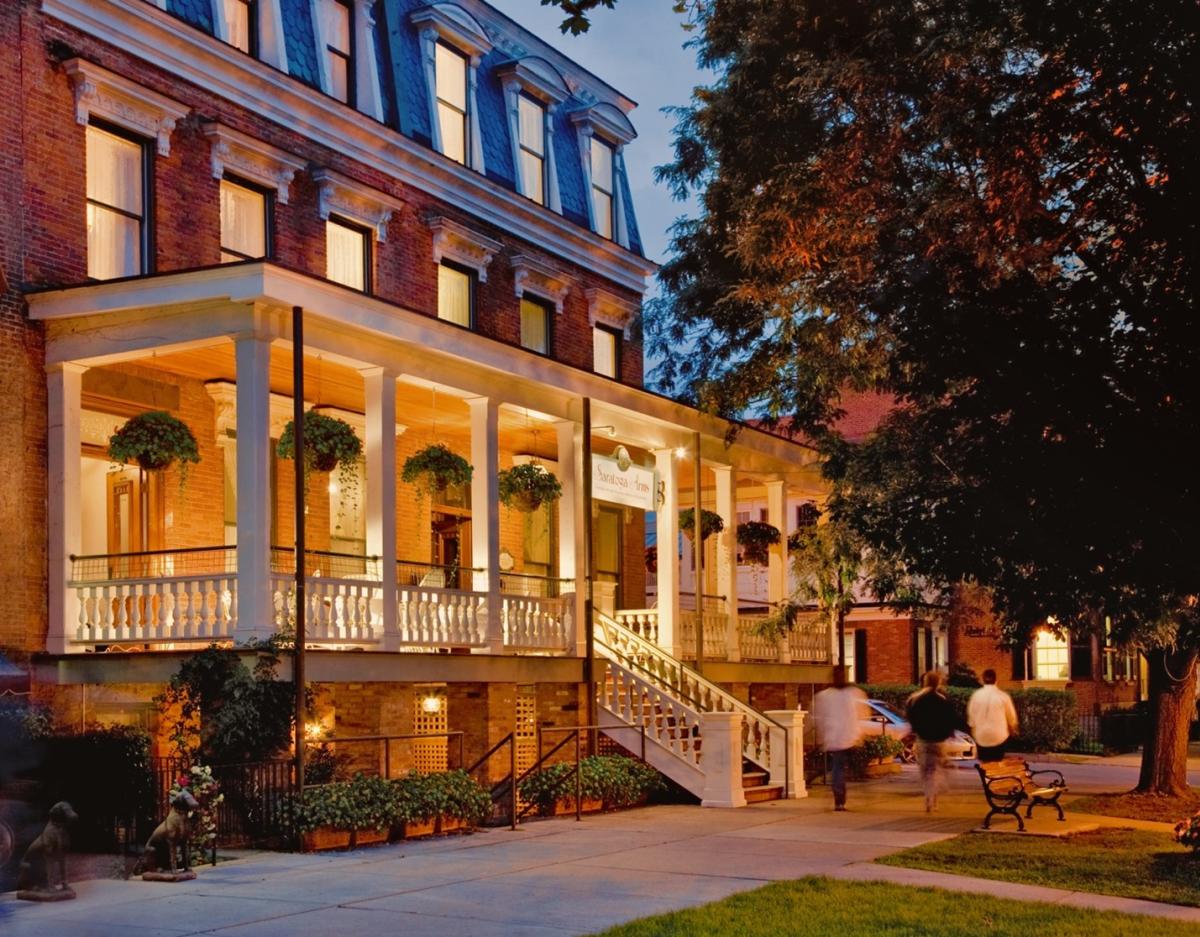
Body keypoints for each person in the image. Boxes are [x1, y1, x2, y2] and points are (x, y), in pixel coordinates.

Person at [812, 665, 867, 811]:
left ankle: (841, 796)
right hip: (842, 738)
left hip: (845, 737)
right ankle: (840, 799)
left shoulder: (850, 694)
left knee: (840, 769)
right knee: (839, 769)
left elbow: (819, 718)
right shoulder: (848, 694)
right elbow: (820, 717)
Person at [905, 670, 958, 812]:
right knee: (936, 769)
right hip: (939, 740)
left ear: (924, 682)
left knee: (925, 771)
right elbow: (951, 718)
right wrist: (949, 733)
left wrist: (914, 731)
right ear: (938, 683)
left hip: (923, 739)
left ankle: (928, 796)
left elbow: (910, 717)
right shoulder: (943, 699)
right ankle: (934, 798)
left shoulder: (914, 698)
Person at [968, 668, 1018, 762]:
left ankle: (986, 775)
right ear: (996, 680)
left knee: (985, 764)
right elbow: (1011, 718)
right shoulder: (1003, 696)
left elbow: (971, 719)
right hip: (999, 736)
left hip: (981, 736)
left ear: (983, 680)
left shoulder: (976, 696)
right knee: (997, 764)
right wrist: (1012, 728)